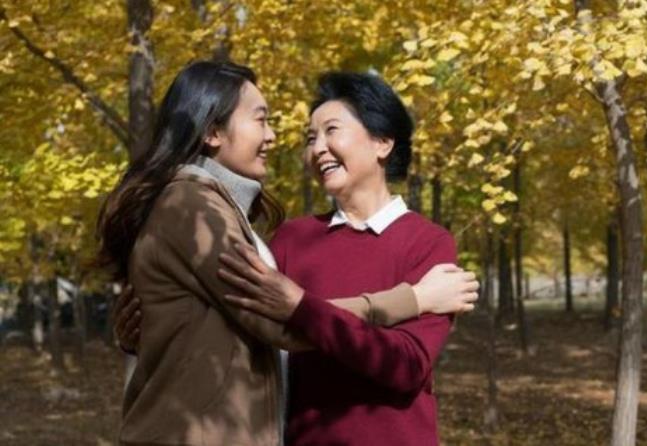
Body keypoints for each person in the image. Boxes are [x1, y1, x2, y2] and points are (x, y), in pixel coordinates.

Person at [102, 60, 478, 446]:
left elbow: (406, 366)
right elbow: (263, 327)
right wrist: (153, 326)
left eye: (331, 131)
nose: (317, 148)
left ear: (382, 142)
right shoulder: (290, 239)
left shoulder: (428, 242)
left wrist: (300, 308)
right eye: (310, 138)